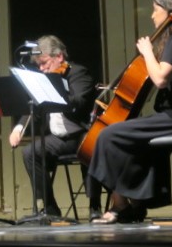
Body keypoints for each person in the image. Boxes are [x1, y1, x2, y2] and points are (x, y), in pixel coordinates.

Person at [88, 0, 172, 224]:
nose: (152, 16)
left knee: (108, 135)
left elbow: (161, 79)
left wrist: (147, 53)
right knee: (121, 136)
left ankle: (121, 205)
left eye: (156, 10)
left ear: (170, 12)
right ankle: (136, 204)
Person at [8, 35, 102, 221]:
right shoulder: (45, 79)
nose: (42, 69)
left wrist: (57, 89)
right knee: (30, 152)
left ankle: (95, 205)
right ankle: (50, 208)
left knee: (89, 145)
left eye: (44, 63)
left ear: (59, 57)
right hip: (59, 138)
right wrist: (18, 128)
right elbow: (33, 108)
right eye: (39, 66)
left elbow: (79, 102)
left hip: (81, 132)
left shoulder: (78, 73)